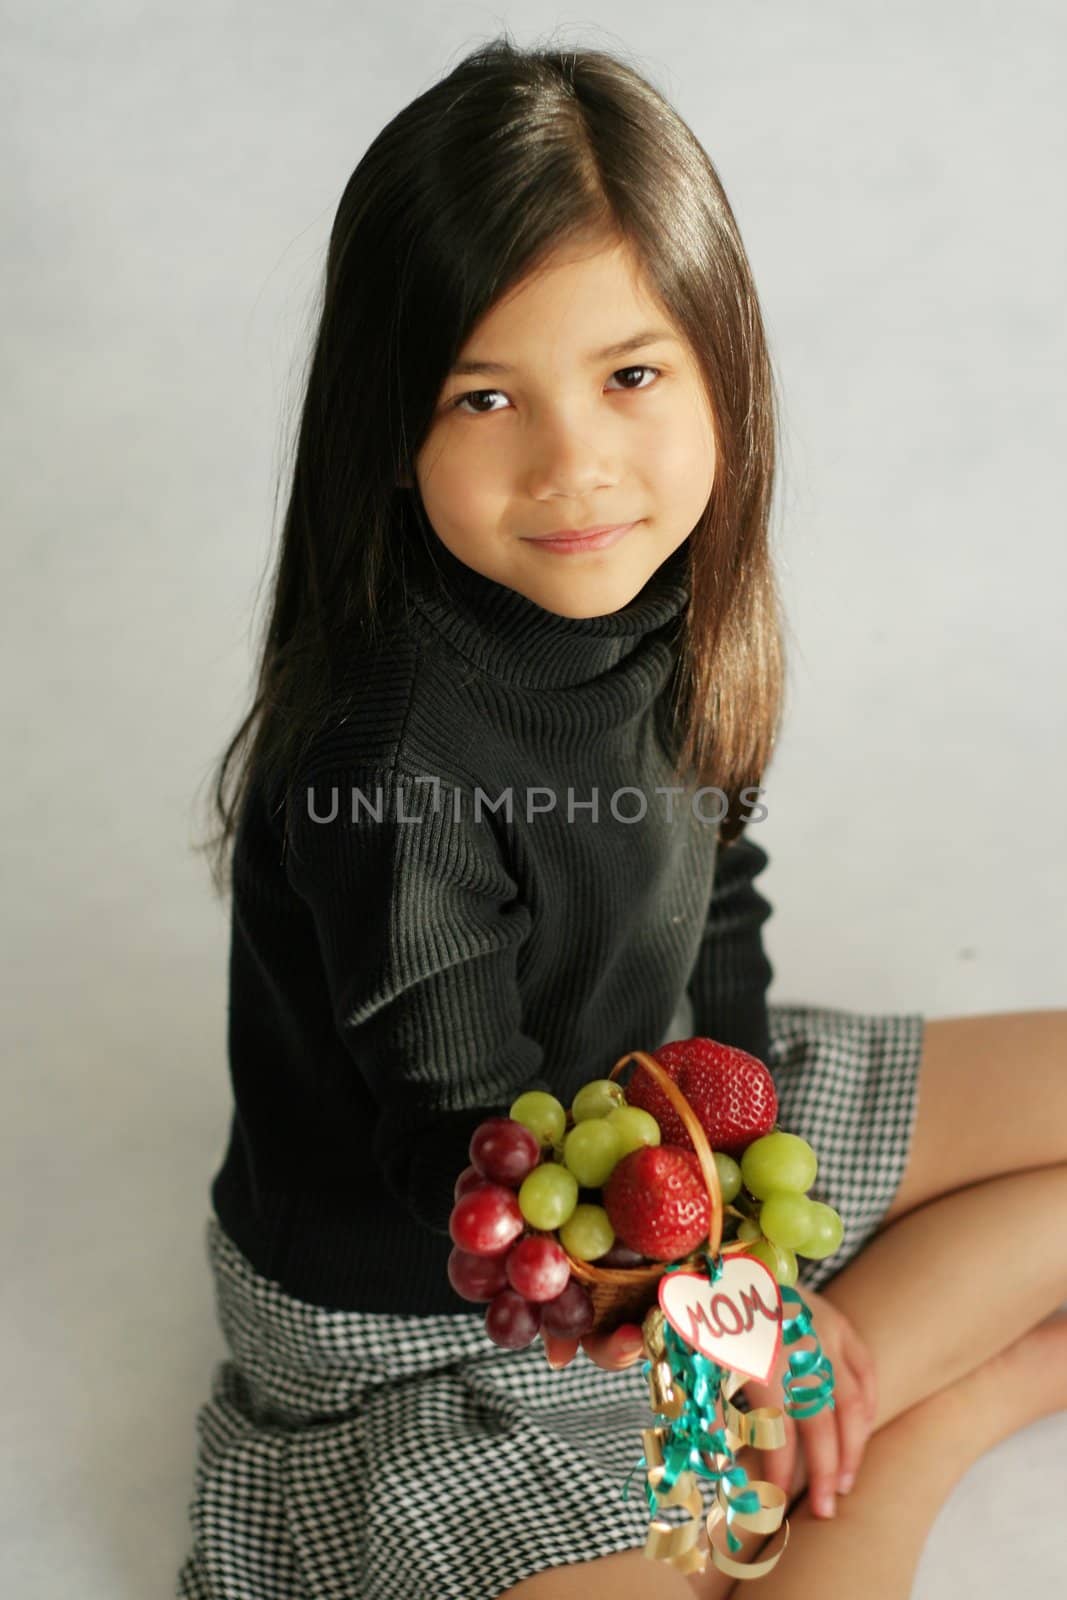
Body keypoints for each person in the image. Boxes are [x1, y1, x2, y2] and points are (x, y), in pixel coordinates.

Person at [176, 33, 1067, 1600]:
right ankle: (915, 1428)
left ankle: (838, 1389)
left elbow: (715, 916)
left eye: (631, 375)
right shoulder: (387, 763)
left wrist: (752, 1240)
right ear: (393, 429)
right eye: (485, 397)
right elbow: (475, 1149)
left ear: (723, 362)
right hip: (458, 1295)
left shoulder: (672, 611)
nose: (574, 465)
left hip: (665, 1150)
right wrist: (726, 1317)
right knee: (712, 1549)